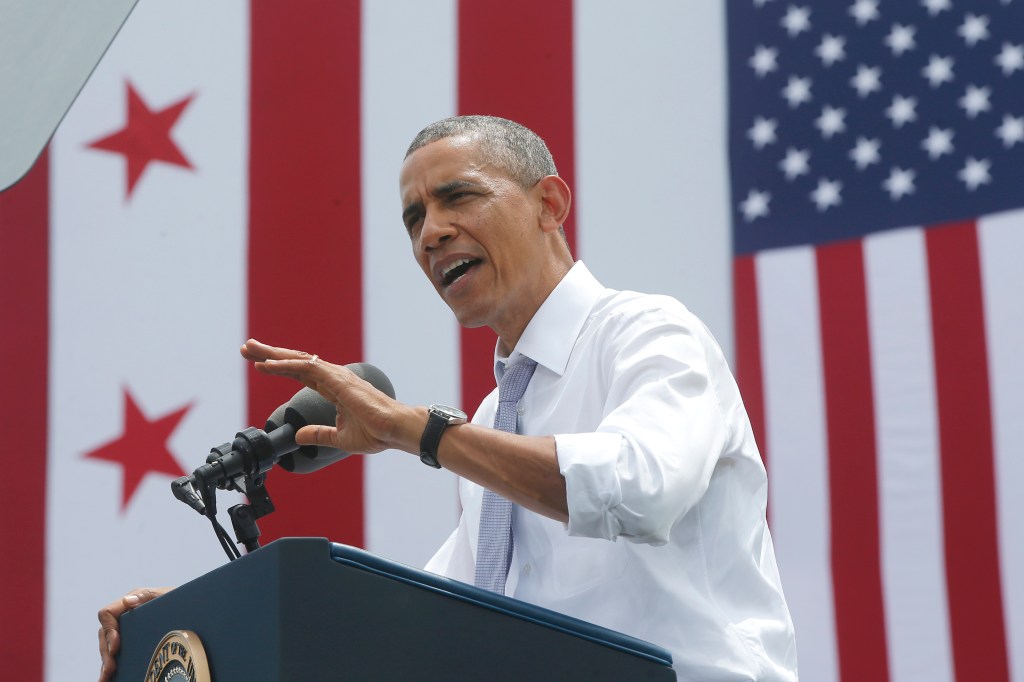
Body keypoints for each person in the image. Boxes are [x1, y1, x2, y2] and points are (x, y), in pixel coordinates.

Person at [98, 115, 798, 681]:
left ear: (549, 204)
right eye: (412, 218)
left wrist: (420, 433)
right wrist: (212, 627)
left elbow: (639, 488)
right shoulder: (498, 420)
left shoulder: (647, 332)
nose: (430, 232)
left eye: (458, 196)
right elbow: (418, 618)